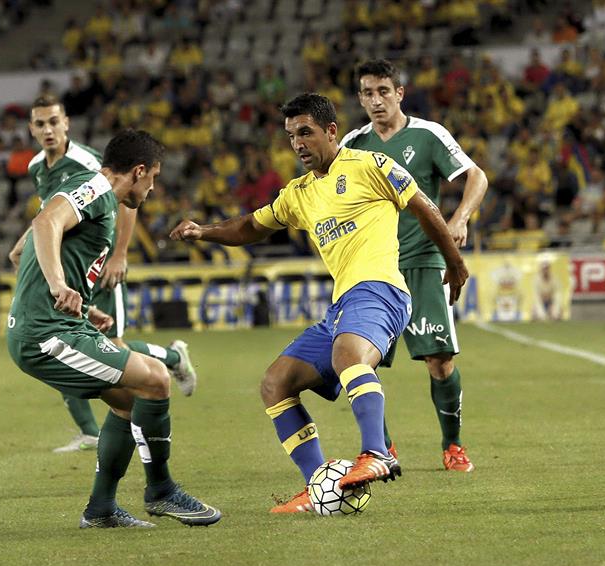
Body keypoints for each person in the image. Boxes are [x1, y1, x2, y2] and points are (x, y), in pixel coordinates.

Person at [170, 94, 468, 512]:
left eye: (305, 132)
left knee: (349, 356)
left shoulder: (370, 165)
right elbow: (250, 227)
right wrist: (204, 232)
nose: (298, 143)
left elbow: (424, 207)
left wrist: (455, 264)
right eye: (291, 135)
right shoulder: (299, 194)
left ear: (331, 131)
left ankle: (378, 453)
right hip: (342, 305)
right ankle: (317, 487)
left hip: (381, 289)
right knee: (276, 383)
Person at [7, 129, 220, 528]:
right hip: (45, 334)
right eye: (153, 178)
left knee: (127, 401)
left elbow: (22, 252)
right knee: (155, 378)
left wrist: (82, 308)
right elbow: (46, 223)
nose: (152, 188)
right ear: (138, 171)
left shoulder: (86, 188)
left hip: (59, 325)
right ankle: (161, 491)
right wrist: (58, 286)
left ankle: (101, 509)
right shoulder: (97, 188)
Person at [9, 96, 196, 454]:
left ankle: (171, 360)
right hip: (67, 264)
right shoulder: (37, 166)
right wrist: (29, 249)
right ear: (31, 129)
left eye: (53, 121)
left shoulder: (89, 163)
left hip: (96, 263)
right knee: (78, 346)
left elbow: (122, 199)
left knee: (111, 348)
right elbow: (51, 213)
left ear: (66, 123)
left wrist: (119, 254)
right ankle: (97, 436)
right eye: (40, 124)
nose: (48, 130)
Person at [340, 58, 488, 472]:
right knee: (359, 360)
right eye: (368, 93)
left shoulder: (427, 135)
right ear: (360, 99)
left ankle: (453, 445)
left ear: (399, 93)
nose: (376, 100)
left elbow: (477, 176)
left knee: (439, 361)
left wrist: (460, 219)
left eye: (383, 91)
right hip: (373, 267)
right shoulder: (353, 144)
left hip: (424, 261)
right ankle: (381, 447)